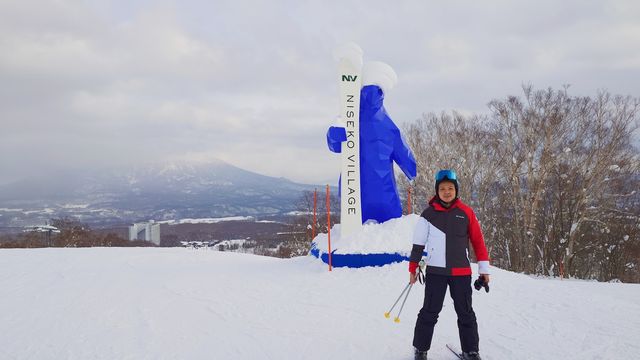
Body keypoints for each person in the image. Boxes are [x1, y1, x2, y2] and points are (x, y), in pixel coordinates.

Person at [409, 169, 490, 360]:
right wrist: (413, 268)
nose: (447, 191)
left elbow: (478, 242)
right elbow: (418, 244)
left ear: (456, 190)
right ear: (437, 191)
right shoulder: (428, 214)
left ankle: (471, 351)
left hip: (461, 273)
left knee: (466, 313)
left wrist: (484, 270)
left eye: (451, 188)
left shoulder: (467, 213)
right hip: (436, 273)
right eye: (443, 188)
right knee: (429, 311)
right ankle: (420, 349)